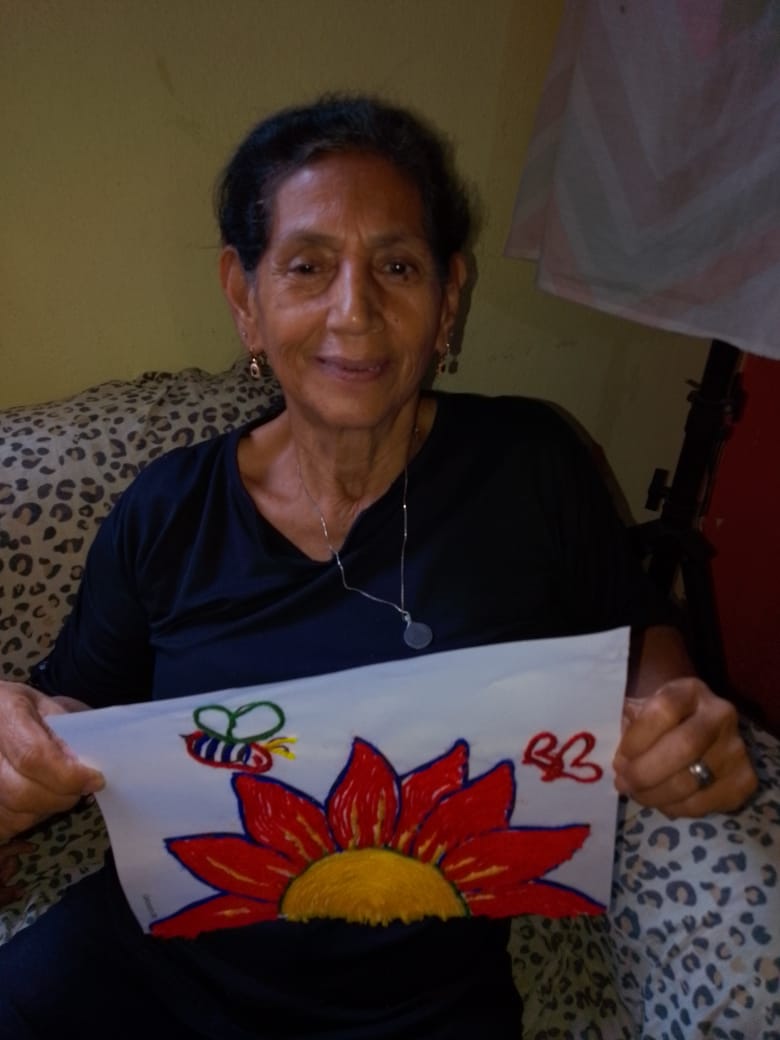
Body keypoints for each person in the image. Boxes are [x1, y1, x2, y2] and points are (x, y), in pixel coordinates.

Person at [0, 95, 757, 1039]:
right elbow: (71, 706)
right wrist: (17, 742)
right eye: (307, 266)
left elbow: (634, 625)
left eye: (397, 266)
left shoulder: (530, 466)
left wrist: (678, 712)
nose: (354, 312)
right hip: (149, 967)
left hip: (412, 1010)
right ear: (244, 296)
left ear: (449, 298)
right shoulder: (167, 513)